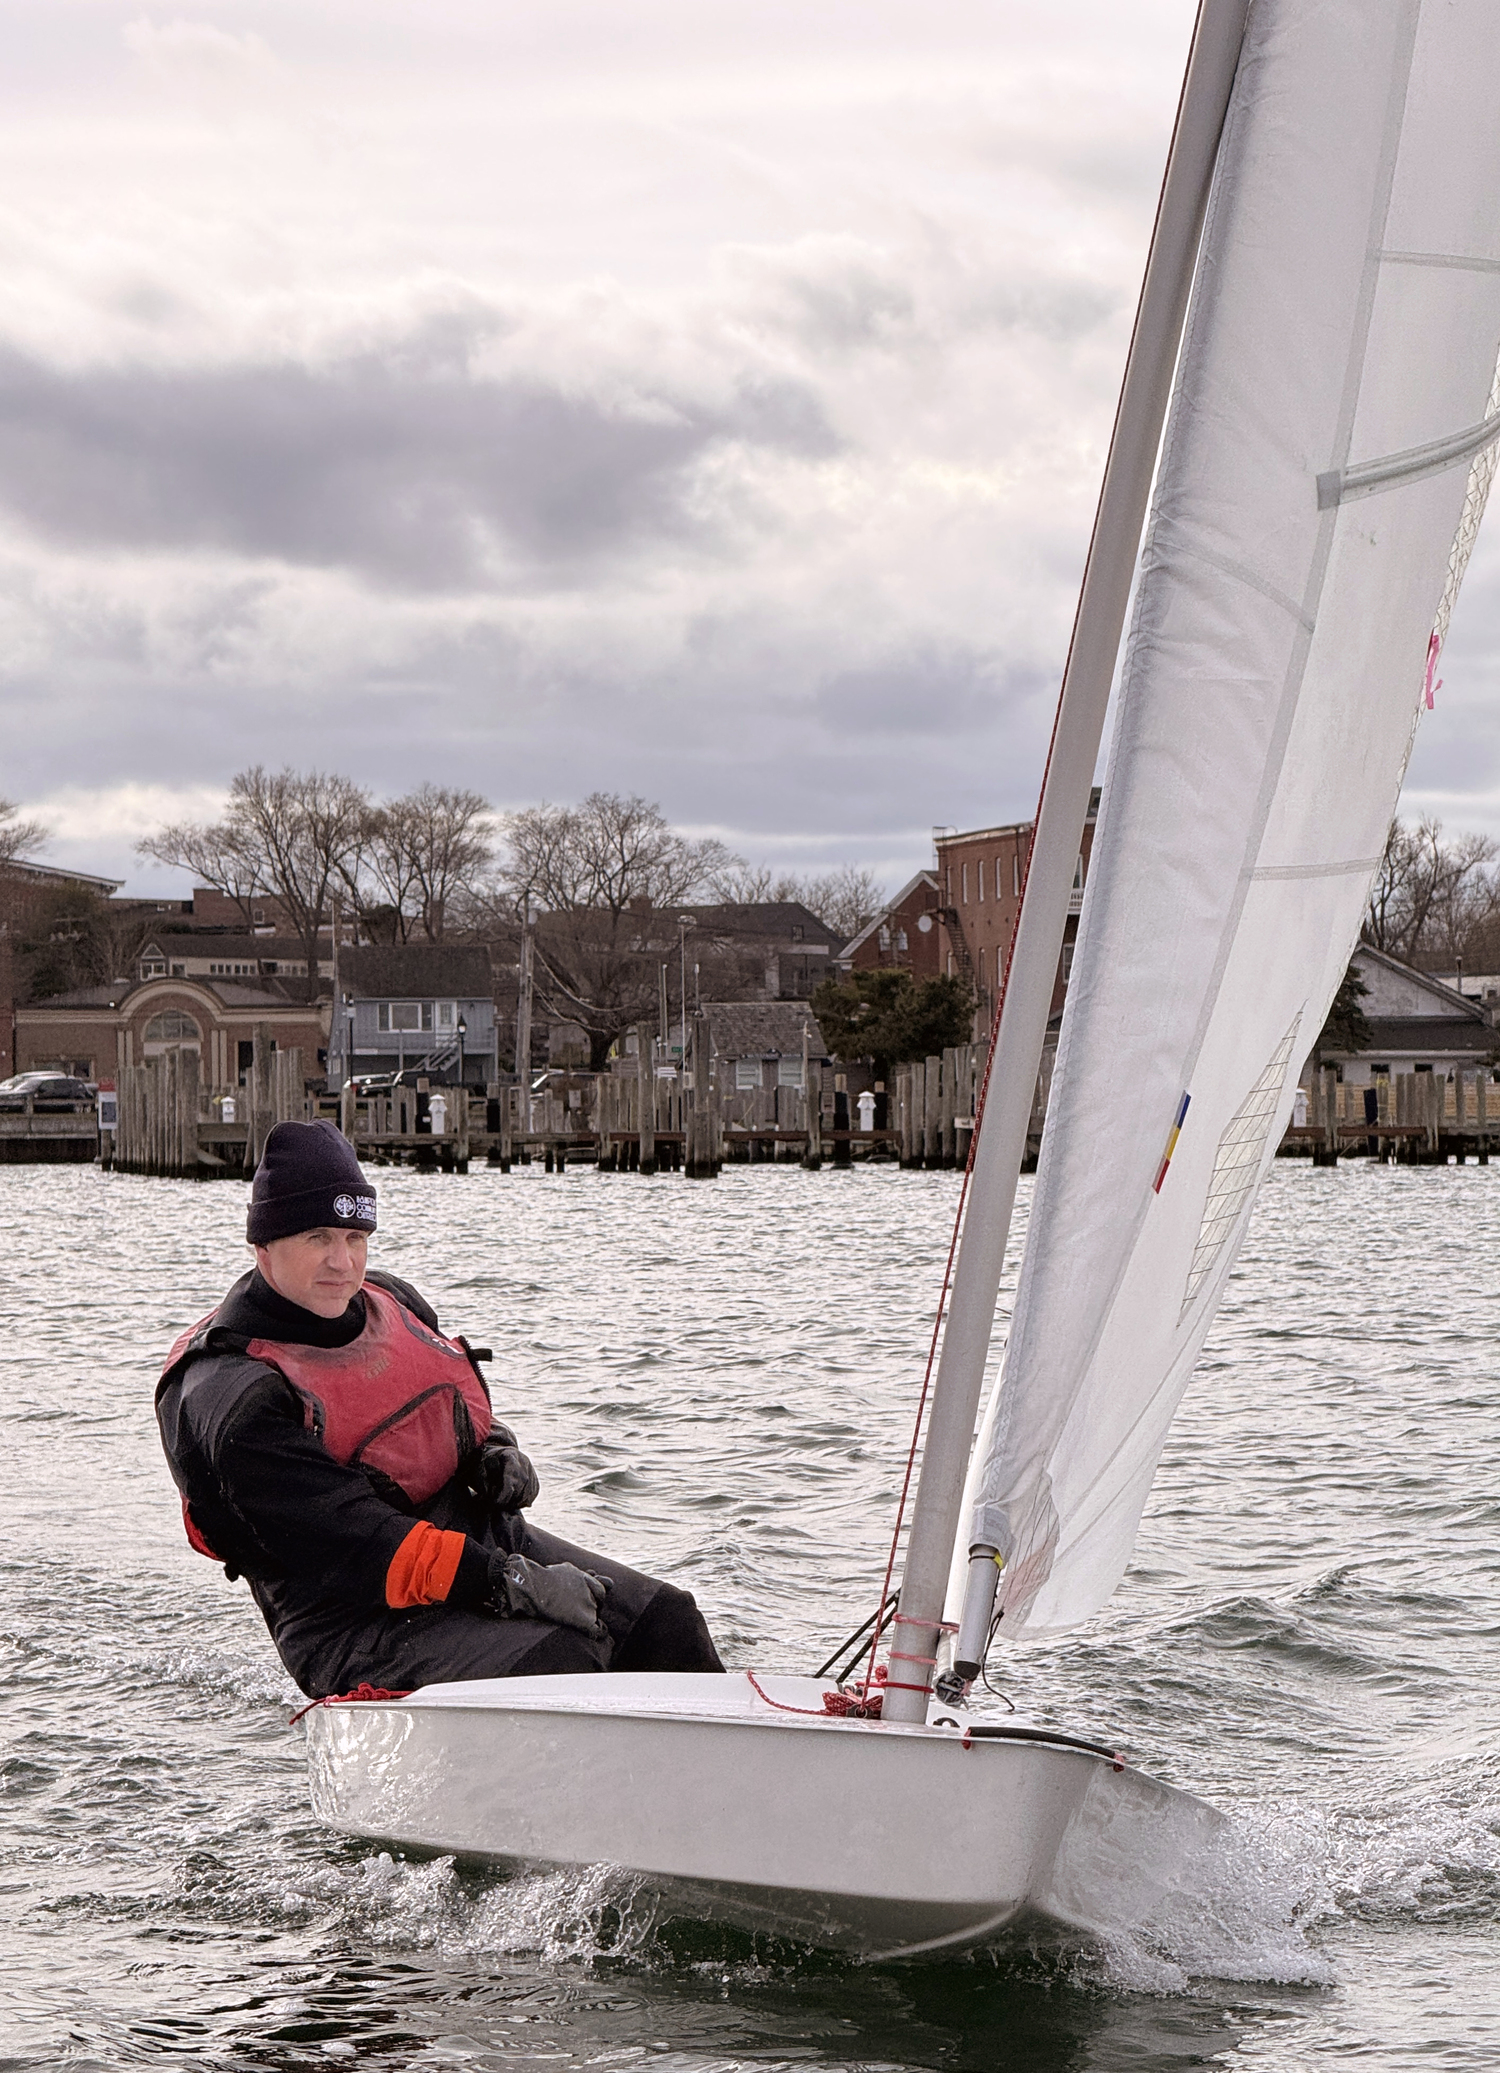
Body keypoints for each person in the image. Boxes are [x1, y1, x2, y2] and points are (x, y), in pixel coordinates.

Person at [156, 1119, 724, 1700]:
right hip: (349, 1615)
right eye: (316, 1237)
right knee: (563, 1659)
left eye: (355, 1237)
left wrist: (495, 1452)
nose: (341, 1262)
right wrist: (512, 1584)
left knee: (666, 1622)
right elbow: (359, 1542)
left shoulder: (392, 1300)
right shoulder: (234, 1395)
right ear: (264, 1247)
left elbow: (445, 1404)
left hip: (479, 1542)